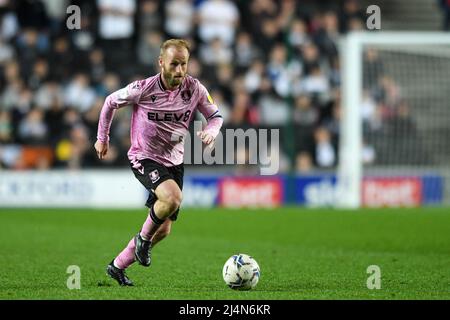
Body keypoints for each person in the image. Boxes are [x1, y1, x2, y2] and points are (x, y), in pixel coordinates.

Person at [94, 39, 223, 286]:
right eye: (174, 64)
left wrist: (212, 131)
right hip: (144, 156)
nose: (179, 70)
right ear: (161, 62)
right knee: (172, 198)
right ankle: (142, 241)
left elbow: (215, 116)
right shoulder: (143, 88)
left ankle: (117, 266)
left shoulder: (194, 88)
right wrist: (102, 138)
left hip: (174, 161)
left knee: (163, 230)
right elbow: (110, 102)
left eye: (183, 64)